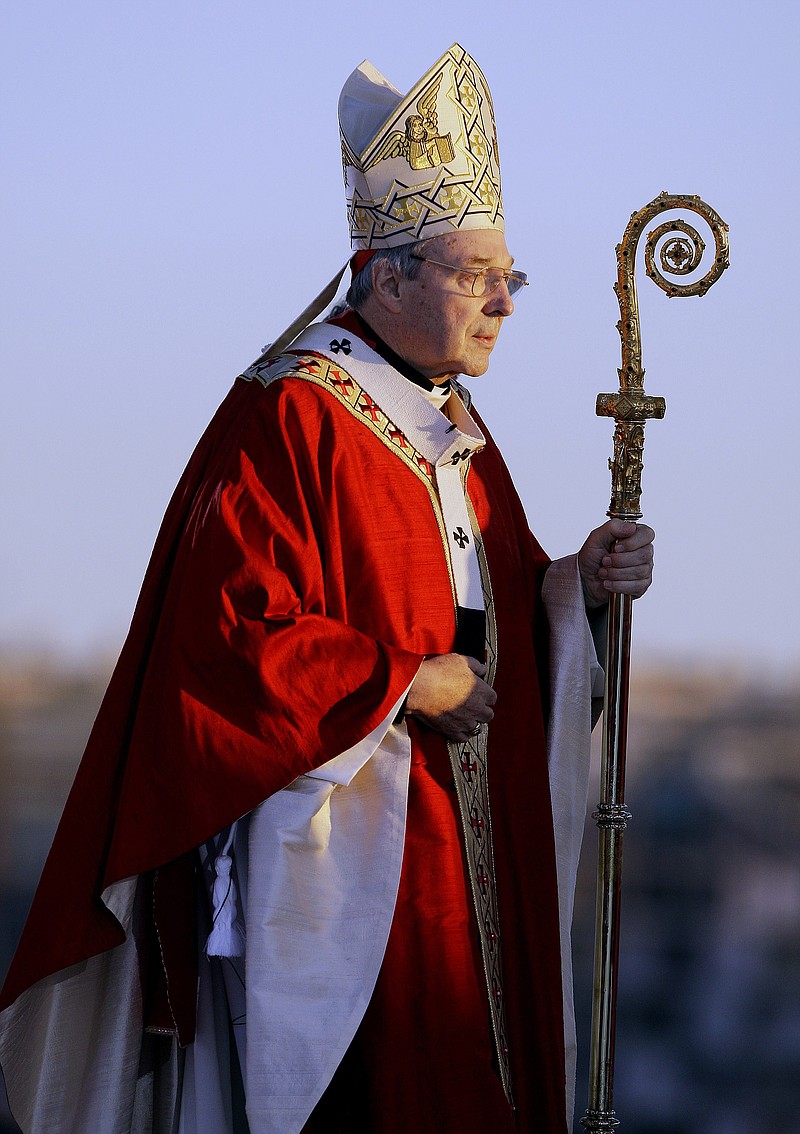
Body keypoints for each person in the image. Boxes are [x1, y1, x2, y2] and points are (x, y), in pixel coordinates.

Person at [0, 43, 654, 1134]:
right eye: (473, 275)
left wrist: (576, 589)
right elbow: (224, 643)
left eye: (510, 279)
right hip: (355, 852)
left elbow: (492, 614)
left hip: (470, 839)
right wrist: (405, 683)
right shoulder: (291, 412)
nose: (501, 303)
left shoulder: (451, 421)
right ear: (385, 276)